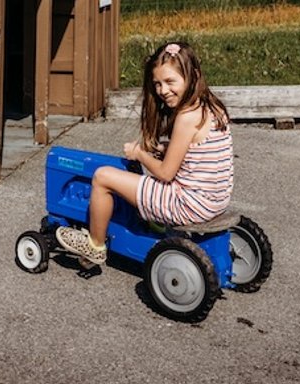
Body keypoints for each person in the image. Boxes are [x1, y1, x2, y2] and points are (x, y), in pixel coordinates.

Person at [55, 42, 234, 267]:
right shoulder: (212, 107)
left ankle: (95, 246)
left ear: (193, 76)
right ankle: (151, 221)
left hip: (188, 205)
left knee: (102, 177)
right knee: (147, 171)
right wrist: (161, 150)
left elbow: (166, 173)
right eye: (157, 84)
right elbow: (198, 154)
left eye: (170, 82)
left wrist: (139, 154)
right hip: (216, 200)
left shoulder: (186, 117)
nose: (163, 91)